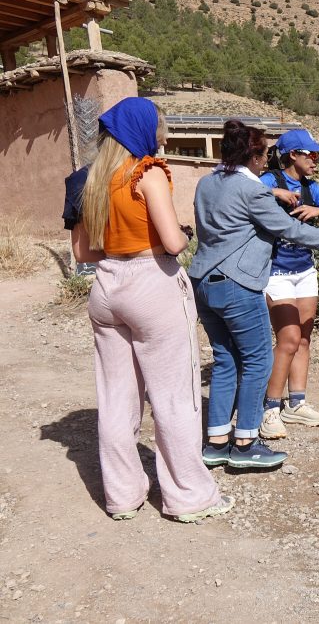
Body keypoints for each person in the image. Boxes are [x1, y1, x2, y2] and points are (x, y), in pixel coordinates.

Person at [75, 97, 232, 523]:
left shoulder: (91, 181)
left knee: (116, 398)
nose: (161, 141)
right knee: (174, 395)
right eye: (158, 132)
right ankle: (189, 497)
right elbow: (174, 242)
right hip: (152, 284)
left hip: (107, 285)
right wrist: (180, 234)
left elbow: (85, 252)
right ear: (142, 131)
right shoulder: (148, 173)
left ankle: (122, 496)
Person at [190, 120, 319, 470]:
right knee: (258, 360)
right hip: (238, 284)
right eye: (264, 156)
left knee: (226, 361)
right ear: (255, 157)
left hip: (203, 282)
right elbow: (288, 229)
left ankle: (216, 442)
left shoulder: (206, 183)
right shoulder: (253, 189)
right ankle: (246, 442)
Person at [257, 129, 319, 440]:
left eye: (318, 155)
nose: (316, 160)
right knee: (289, 339)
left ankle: (295, 404)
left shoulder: (312, 188)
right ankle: (269, 408)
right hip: (275, 271)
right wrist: (275, 193)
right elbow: (243, 192)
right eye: (310, 154)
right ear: (292, 155)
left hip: (305, 270)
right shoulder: (269, 180)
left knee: (304, 340)